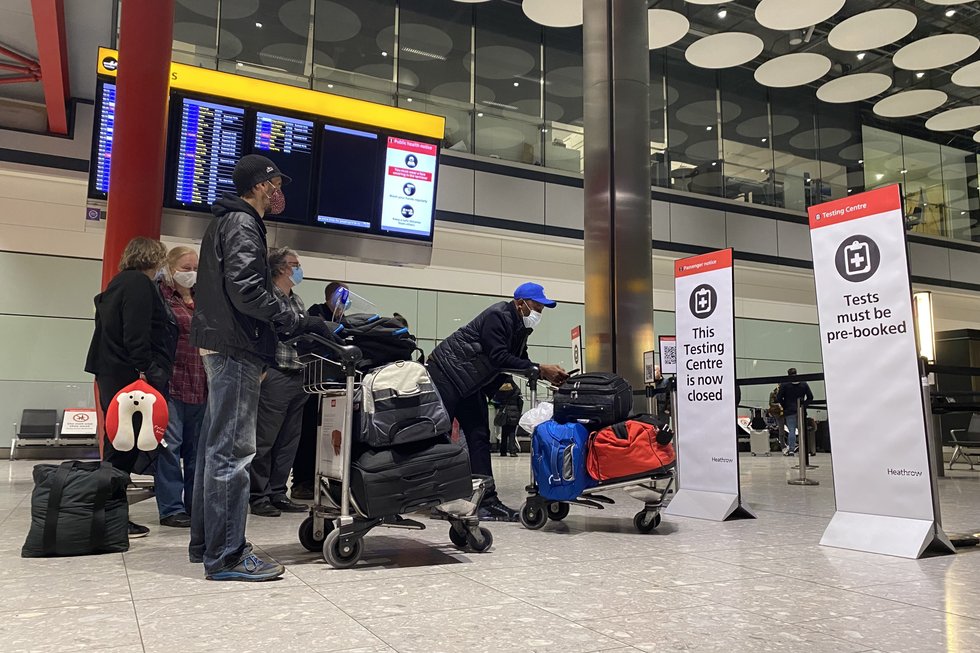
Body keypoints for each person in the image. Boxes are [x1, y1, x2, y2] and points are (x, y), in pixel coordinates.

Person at [189, 154, 337, 582]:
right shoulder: (242, 223)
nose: (279, 191)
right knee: (233, 453)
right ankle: (227, 555)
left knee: (215, 450)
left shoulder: (225, 222)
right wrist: (293, 319)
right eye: (274, 183)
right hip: (236, 347)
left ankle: (207, 544)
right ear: (257, 185)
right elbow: (247, 291)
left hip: (224, 345)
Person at [427, 282, 568, 521]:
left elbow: (518, 360)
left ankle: (486, 500)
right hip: (447, 374)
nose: (539, 313)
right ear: (520, 302)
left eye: (542, 309)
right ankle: (437, 499)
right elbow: (498, 357)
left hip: (469, 384)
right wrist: (540, 369)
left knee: (479, 435)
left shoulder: (520, 328)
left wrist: (542, 373)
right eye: (537, 306)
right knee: (439, 436)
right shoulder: (498, 315)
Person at [85, 237, 177, 539]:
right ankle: (113, 517)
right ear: (154, 259)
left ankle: (111, 513)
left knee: (118, 442)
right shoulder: (139, 283)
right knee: (121, 446)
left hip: (111, 372)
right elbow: (136, 332)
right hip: (129, 376)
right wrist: (144, 371)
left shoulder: (117, 283)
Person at [249, 247, 311, 517]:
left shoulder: (297, 300)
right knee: (265, 439)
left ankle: (277, 491)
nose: (298, 269)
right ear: (281, 268)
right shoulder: (267, 298)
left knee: (289, 440)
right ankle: (258, 494)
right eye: (295, 264)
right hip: (275, 373)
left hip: (299, 374)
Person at [154, 246, 206, 529]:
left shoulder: (201, 298)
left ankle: (194, 505)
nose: (192, 274)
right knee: (170, 448)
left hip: (202, 381)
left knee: (197, 450)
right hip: (173, 382)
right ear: (171, 268)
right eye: (186, 268)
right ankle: (171, 507)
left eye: (195, 268)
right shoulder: (161, 296)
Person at [292, 280, 349, 500]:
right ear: (332, 296)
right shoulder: (315, 314)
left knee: (334, 436)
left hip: (337, 385)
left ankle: (332, 479)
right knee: (308, 433)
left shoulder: (344, 320)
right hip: (314, 382)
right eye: (342, 296)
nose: (345, 301)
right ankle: (302, 481)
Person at [776, 368, 813, 456]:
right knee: (802, 431)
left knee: (791, 431)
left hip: (789, 410)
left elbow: (779, 397)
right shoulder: (804, 384)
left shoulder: (785, 384)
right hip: (801, 410)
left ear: (788, 374)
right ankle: (804, 449)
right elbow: (810, 397)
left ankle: (792, 450)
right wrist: (804, 405)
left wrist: (785, 405)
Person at [490, 376, 523, 457]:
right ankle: (512, 451)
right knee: (512, 432)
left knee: (504, 433)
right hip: (514, 412)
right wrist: (519, 412)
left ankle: (503, 451)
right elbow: (520, 402)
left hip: (504, 413)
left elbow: (496, 399)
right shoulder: (516, 389)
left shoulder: (502, 389)